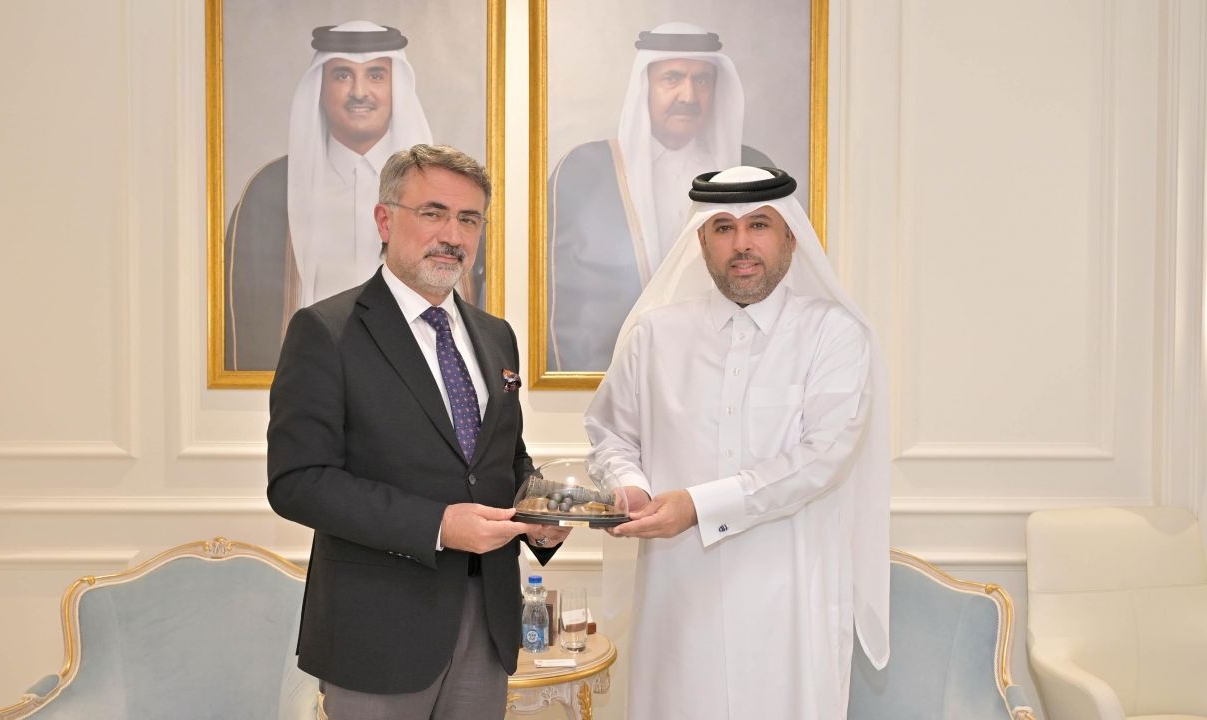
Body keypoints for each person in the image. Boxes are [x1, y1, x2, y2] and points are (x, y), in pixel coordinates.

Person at [267, 144, 569, 719]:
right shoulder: (325, 331)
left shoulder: (496, 335)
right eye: (433, 213)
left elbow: (504, 457)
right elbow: (298, 483)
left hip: (489, 623)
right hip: (379, 632)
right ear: (385, 220)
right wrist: (438, 525)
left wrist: (540, 515)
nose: (452, 235)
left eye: (469, 219)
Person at [585, 166, 890, 719]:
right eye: (724, 227)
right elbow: (611, 435)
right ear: (702, 240)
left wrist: (697, 506)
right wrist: (629, 487)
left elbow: (822, 457)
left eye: (759, 225)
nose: (742, 244)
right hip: (678, 596)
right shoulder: (655, 335)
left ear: (790, 236)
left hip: (789, 601)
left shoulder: (833, 334)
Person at [546, 22, 774, 372]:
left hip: (727, 370)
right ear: (645, 87)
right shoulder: (586, 171)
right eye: (672, 78)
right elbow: (558, 300)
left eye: (702, 80)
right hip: (615, 370)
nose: (688, 96)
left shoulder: (753, 169)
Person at [224, 20, 433, 372]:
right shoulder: (270, 190)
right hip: (310, 383)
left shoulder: (438, 192)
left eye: (376, 76)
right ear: (319, 88)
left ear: (396, 87)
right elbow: (244, 319)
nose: (359, 92)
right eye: (342, 75)